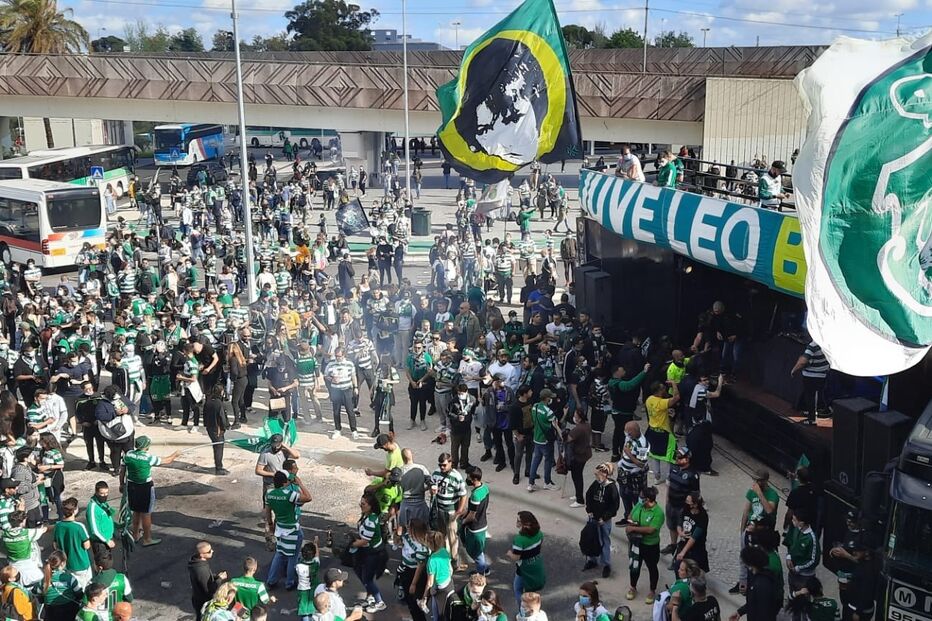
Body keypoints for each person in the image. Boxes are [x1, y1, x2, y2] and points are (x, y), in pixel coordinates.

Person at [120, 435, 179, 547]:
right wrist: (176, 454)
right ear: (146, 446)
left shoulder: (128, 454)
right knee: (146, 513)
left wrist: (121, 484)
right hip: (145, 487)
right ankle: (147, 538)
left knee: (136, 511)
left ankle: (135, 534)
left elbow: (122, 470)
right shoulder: (148, 458)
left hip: (131, 486)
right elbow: (167, 460)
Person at [266, 470, 312, 591]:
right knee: (293, 557)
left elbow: (267, 511)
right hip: (292, 530)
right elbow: (308, 497)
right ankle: (289, 582)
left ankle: (271, 580)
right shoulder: (290, 494)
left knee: (279, 554)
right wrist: (300, 483)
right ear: (284, 482)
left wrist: (270, 525)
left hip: (279, 528)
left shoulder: (269, 493)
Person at [349, 490, 387, 613]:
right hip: (368, 551)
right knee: (360, 572)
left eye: (363, 504)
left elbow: (364, 541)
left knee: (367, 579)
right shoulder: (366, 516)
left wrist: (350, 545)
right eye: (360, 503)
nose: (361, 505)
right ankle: (370, 596)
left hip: (373, 553)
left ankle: (379, 602)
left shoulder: (371, 520)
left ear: (370, 506)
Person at [583, 462, 620, 578]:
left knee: (604, 540)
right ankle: (592, 560)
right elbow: (588, 495)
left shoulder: (612, 488)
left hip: (604, 520)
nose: (596, 476)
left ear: (605, 474)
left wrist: (604, 518)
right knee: (591, 538)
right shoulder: (596, 484)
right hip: (593, 517)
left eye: (598, 474)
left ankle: (606, 564)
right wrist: (589, 510)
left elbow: (614, 506)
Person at [430, 453, 468, 563]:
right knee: (441, 535)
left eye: (444, 465)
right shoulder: (436, 473)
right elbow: (432, 485)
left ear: (450, 463)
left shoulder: (457, 476)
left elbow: (463, 494)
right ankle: (444, 558)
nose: (442, 467)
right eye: (440, 465)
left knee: (452, 537)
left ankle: (454, 560)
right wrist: (432, 491)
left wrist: (459, 511)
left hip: (451, 511)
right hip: (440, 509)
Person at [664, 447, 700, 556]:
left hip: (682, 508)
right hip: (671, 504)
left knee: (683, 528)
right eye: (676, 456)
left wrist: (689, 508)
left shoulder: (693, 474)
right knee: (671, 525)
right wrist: (667, 501)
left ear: (687, 459)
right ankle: (673, 545)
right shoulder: (673, 467)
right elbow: (669, 484)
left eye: (680, 457)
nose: (677, 459)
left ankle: (683, 549)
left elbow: (695, 493)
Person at [507, 511, 545, 608]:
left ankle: (523, 609)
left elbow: (516, 557)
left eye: (518, 521)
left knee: (517, 589)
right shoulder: (540, 534)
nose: (516, 522)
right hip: (536, 564)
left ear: (525, 525)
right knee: (531, 589)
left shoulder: (519, 540)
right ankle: (533, 606)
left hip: (523, 568)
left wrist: (509, 554)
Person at [730, 546, 780, 621]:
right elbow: (753, 602)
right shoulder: (758, 578)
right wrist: (740, 612)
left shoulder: (762, 584)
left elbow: (764, 612)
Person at [52, 497, 92, 588]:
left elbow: (55, 545)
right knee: (84, 587)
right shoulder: (79, 526)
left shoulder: (58, 526)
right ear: (75, 510)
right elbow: (87, 546)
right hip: (80, 564)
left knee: (71, 587)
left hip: (65, 564)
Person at [460, 467, 491, 575]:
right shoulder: (485, 488)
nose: (467, 479)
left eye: (468, 477)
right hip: (483, 523)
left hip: (475, 528)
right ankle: (484, 569)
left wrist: (463, 522)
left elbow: (472, 515)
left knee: (475, 553)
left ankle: (482, 572)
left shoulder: (475, 495)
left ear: (474, 479)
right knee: (479, 551)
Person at [790, 341, 830, 424]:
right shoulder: (826, 342)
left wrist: (794, 370)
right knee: (818, 396)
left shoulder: (813, 345)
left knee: (810, 397)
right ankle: (815, 413)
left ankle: (812, 419)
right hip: (823, 373)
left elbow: (803, 361)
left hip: (812, 375)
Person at [527, 389, 559, 492]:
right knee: (548, 461)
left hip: (536, 438)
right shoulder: (548, 412)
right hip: (546, 440)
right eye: (550, 397)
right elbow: (556, 424)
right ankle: (547, 482)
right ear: (547, 398)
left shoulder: (535, 406)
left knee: (535, 460)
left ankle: (531, 483)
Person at [188, 541, 228, 621]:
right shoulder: (201, 569)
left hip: (197, 598)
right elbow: (209, 589)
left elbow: (205, 578)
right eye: (209, 551)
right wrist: (220, 579)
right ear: (202, 555)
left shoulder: (195, 562)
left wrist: (216, 577)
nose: (212, 551)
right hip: (203, 601)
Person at [88, 551, 133, 618]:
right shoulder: (122, 578)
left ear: (100, 567)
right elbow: (129, 599)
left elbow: (87, 605)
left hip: (99, 618)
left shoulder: (91, 583)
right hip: (117, 616)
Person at [42, 550, 82, 621]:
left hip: (50, 613)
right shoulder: (70, 578)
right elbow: (79, 593)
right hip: (69, 611)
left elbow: (36, 592)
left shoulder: (44, 579)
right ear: (63, 563)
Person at [676, 493, 710, 572]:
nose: (686, 502)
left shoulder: (702, 516)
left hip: (697, 549)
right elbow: (679, 523)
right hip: (683, 544)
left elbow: (694, 537)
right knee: (678, 568)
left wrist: (683, 552)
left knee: (695, 571)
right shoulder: (685, 509)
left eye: (688, 501)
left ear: (695, 504)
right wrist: (680, 533)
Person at [566, 409, 593, 508]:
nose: (574, 417)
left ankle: (579, 499)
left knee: (576, 477)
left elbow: (567, 439)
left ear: (579, 418)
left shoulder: (578, 429)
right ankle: (578, 494)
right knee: (578, 476)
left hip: (578, 456)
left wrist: (557, 428)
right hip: (585, 453)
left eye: (575, 415)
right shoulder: (587, 425)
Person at [202, 384, 229, 475]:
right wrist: (225, 427)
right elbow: (222, 417)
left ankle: (218, 465)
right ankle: (219, 468)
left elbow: (204, 415)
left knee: (216, 447)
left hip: (209, 427)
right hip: (217, 429)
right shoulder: (219, 404)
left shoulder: (208, 402)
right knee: (219, 448)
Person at [295, 541, 320, 621]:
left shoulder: (298, 566)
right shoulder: (316, 564)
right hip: (313, 588)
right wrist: (316, 544)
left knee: (304, 609)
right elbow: (317, 556)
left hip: (303, 589)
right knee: (312, 606)